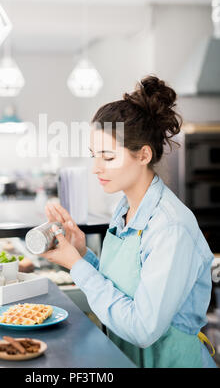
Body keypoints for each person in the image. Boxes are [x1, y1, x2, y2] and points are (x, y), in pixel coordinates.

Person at [42, 75, 217, 368]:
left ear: (143, 155)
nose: (96, 168)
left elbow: (142, 328)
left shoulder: (170, 228)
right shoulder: (125, 207)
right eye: (94, 156)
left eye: (108, 157)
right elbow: (125, 291)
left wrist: (77, 265)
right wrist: (83, 252)